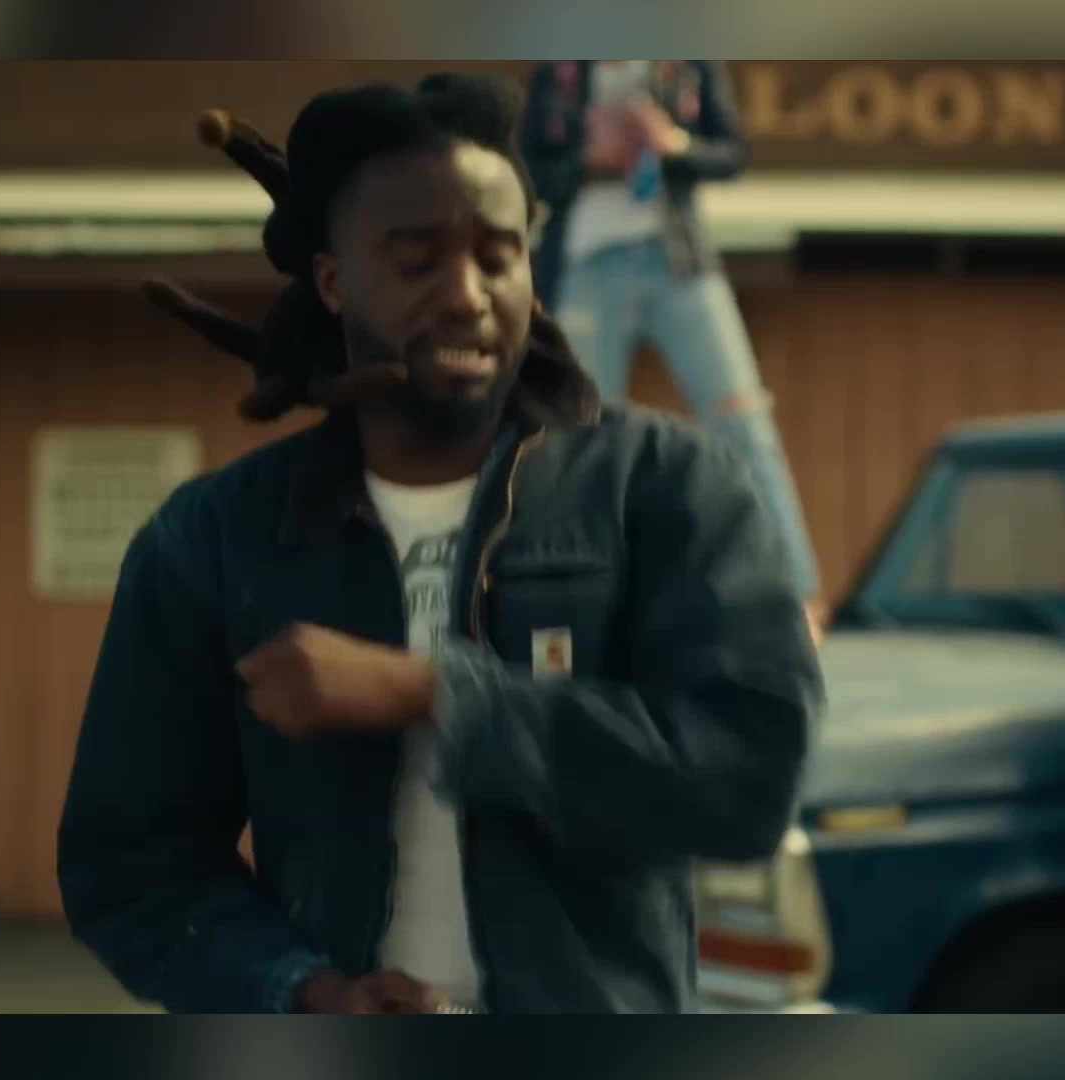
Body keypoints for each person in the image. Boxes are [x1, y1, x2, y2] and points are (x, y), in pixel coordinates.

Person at [56, 73, 822, 1015]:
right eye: (416, 260)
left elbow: (752, 776)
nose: (466, 295)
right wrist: (303, 993)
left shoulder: (662, 488)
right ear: (333, 282)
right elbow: (129, 864)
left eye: (500, 256)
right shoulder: (216, 539)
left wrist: (437, 697)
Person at [519, 61, 824, 633]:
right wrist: (587, 156)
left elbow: (732, 153)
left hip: (677, 259)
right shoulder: (558, 66)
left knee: (743, 419)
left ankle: (795, 597)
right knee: (578, 438)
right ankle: (583, 604)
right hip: (586, 264)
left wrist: (672, 143)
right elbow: (527, 169)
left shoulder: (689, 54)